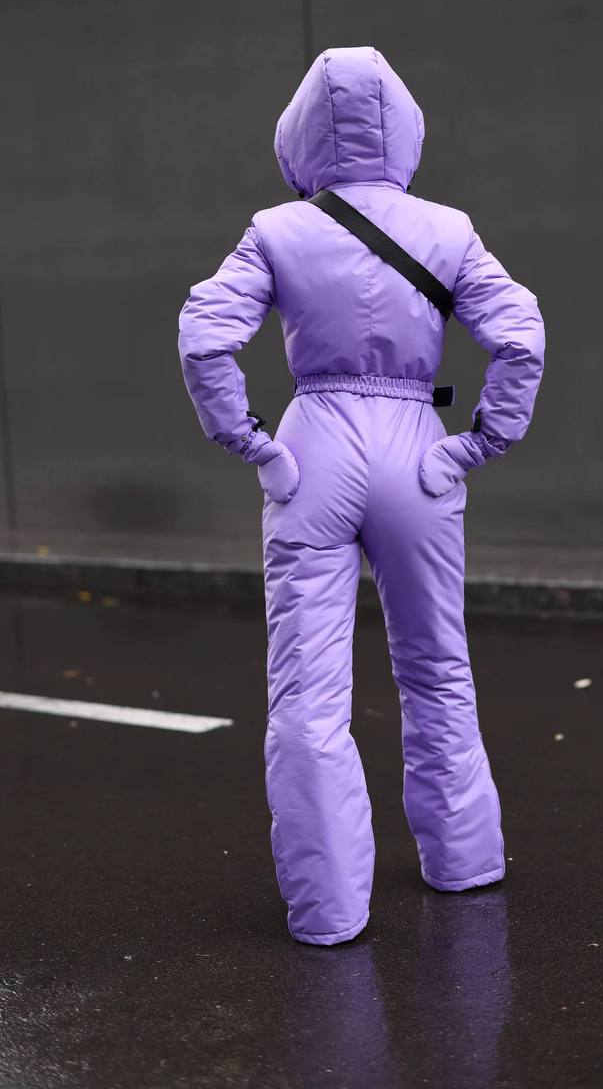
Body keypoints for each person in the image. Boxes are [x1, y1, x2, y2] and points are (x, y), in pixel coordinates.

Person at [178, 46, 545, 945]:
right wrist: (478, 444)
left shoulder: (274, 230)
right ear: (406, 127)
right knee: (436, 666)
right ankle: (463, 861)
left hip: (312, 450)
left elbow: (203, 337)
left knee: (307, 691)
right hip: (418, 446)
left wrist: (249, 442)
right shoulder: (448, 229)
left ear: (300, 132)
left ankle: (330, 909)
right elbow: (520, 338)